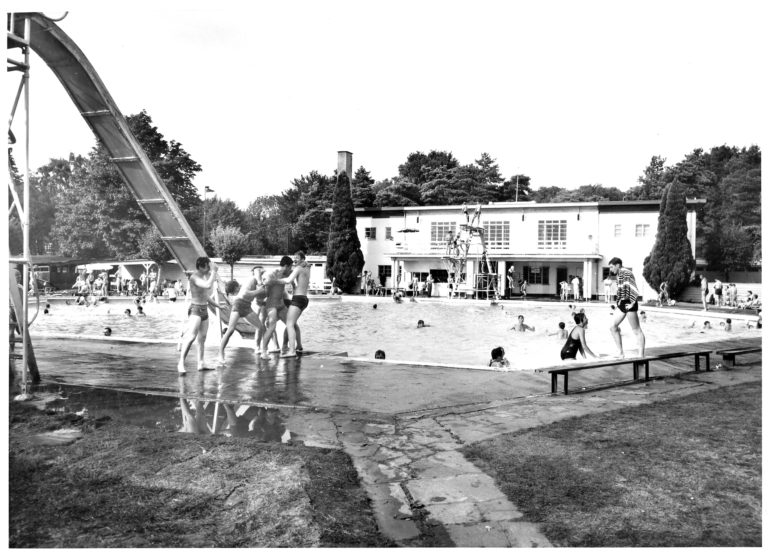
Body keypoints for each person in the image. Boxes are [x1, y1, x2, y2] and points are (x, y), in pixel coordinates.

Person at [218, 266, 267, 364]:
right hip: (239, 304)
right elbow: (247, 293)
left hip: (247, 306)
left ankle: (259, 349)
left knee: (261, 327)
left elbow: (257, 292)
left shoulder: (253, 280)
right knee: (230, 330)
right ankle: (220, 354)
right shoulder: (253, 278)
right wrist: (260, 288)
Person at [177, 257, 218, 374]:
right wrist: (214, 271)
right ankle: (181, 363)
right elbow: (207, 286)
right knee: (191, 337)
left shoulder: (204, 276)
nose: (209, 269)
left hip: (204, 309)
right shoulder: (194, 277)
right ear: (201, 267)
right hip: (195, 309)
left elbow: (205, 295)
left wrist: (217, 305)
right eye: (207, 266)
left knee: (202, 338)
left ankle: (201, 363)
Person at [608, 257, 645, 357]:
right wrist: (618, 303)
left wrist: (632, 303)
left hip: (629, 303)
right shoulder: (619, 274)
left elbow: (633, 288)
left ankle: (641, 356)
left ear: (618, 265)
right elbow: (621, 290)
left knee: (637, 330)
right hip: (623, 303)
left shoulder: (627, 273)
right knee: (613, 327)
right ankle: (620, 353)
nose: (611, 270)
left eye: (612, 267)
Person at [260, 256, 294, 359]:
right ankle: (263, 352)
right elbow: (264, 283)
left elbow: (295, 273)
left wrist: (304, 264)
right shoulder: (272, 273)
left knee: (291, 324)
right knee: (271, 327)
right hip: (272, 304)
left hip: (281, 304)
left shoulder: (286, 273)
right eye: (290, 267)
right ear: (286, 266)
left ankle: (285, 346)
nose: (291, 269)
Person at [278, 251, 311, 357]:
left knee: (289, 324)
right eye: (294, 258)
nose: (295, 259)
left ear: (302, 258)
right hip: (304, 299)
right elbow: (298, 281)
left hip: (298, 299)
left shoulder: (298, 268)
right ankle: (299, 346)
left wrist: (274, 280)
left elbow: (288, 280)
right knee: (293, 323)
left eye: (297, 258)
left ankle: (291, 351)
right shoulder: (307, 268)